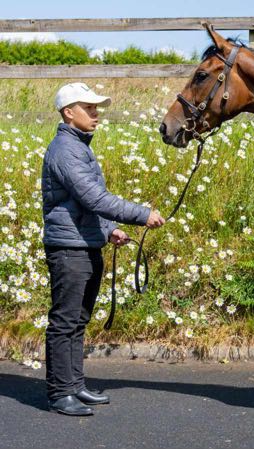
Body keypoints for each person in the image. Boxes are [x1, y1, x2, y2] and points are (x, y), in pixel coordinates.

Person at [41, 82, 165, 416]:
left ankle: (74, 385)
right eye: (89, 108)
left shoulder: (78, 147)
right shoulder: (66, 150)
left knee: (78, 320)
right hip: (69, 248)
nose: (96, 114)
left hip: (83, 243)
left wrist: (109, 230)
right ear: (69, 113)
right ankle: (59, 393)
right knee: (65, 322)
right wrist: (142, 214)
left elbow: (84, 202)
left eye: (96, 108)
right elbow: (94, 198)